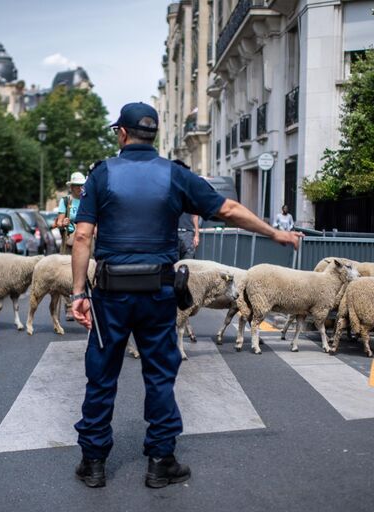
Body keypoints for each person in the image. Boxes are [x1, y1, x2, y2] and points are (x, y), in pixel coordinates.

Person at [70, 102, 302, 489]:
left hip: (110, 294)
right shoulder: (174, 175)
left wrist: (79, 291)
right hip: (158, 292)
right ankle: (160, 462)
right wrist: (274, 233)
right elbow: (227, 208)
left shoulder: (102, 175)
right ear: (153, 135)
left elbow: (81, 236)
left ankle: (94, 463)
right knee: (160, 375)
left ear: (122, 134)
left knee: (102, 376)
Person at [56, 171, 87, 321]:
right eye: (77, 186)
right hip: (70, 240)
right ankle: (68, 306)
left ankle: (85, 304)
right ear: (72, 187)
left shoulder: (88, 199)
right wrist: (63, 223)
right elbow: (59, 221)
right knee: (67, 273)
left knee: (86, 271)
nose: (79, 188)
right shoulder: (66, 201)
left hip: (86, 240)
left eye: (82, 185)